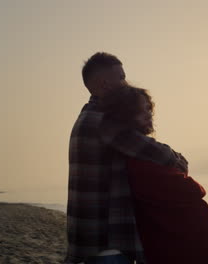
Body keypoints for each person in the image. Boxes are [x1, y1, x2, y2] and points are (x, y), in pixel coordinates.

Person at [66, 52, 188, 264]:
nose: (126, 83)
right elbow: (160, 155)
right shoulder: (103, 121)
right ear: (105, 84)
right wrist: (180, 159)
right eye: (121, 77)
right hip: (104, 241)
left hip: (87, 237)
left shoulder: (86, 115)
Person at [99, 86, 208, 264]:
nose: (147, 114)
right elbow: (191, 190)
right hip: (184, 245)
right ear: (125, 116)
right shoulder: (141, 159)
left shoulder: (147, 153)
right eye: (138, 111)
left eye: (148, 108)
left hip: (185, 241)